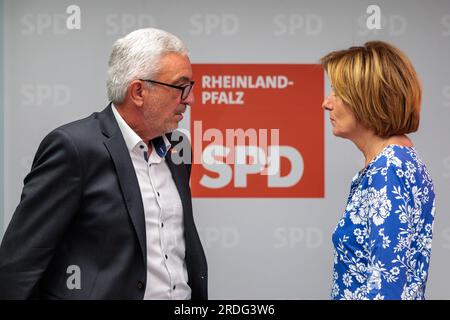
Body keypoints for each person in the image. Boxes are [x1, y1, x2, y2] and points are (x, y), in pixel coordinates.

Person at [0, 28, 207, 300]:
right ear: (138, 92)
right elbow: (20, 263)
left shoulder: (179, 149)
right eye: (181, 86)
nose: (190, 99)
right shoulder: (74, 148)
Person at [321, 41, 435, 300]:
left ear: (366, 98)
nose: (327, 103)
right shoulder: (391, 163)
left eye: (337, 92)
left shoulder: (389, 169)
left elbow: (386, 284)